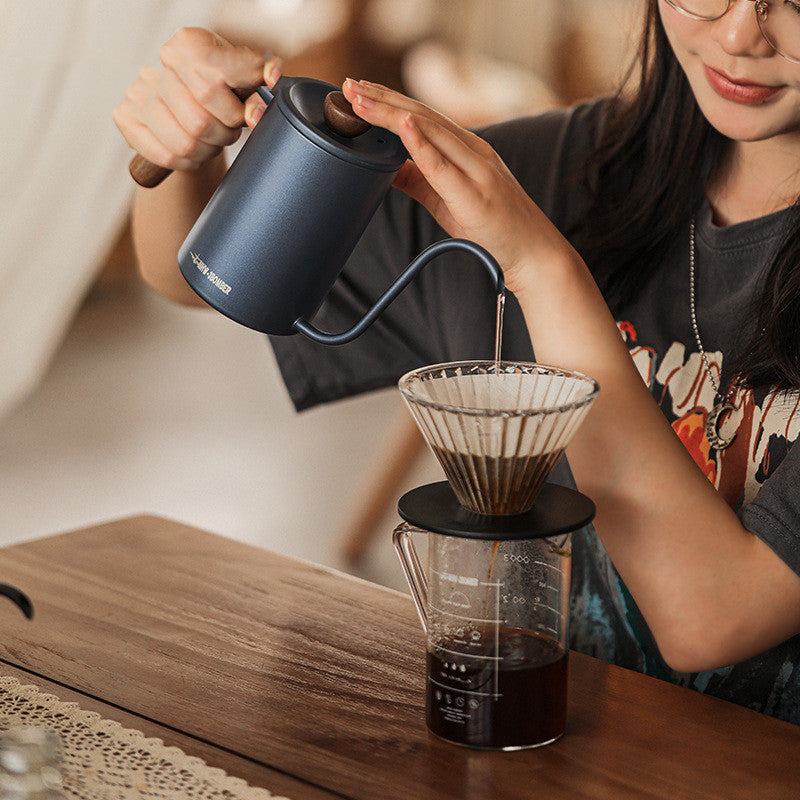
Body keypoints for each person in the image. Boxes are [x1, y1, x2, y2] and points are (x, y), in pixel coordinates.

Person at [114, 1, 800, 724]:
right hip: (545, 753)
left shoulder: (523, 211)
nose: (737, 36)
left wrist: (538, 265)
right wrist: (185, 146)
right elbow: (198, 274)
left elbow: (710, 619)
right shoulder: (564, 168)